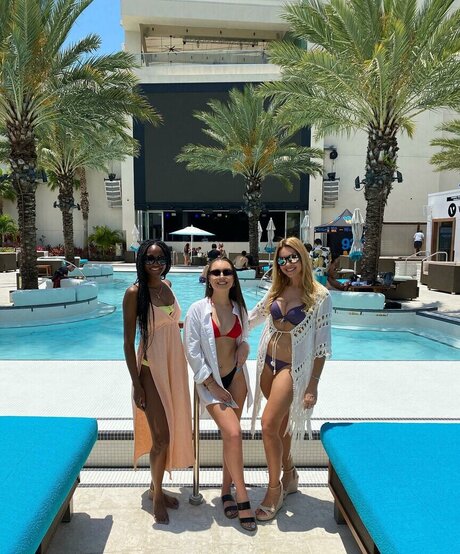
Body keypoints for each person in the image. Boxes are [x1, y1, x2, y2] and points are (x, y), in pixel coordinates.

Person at [248, 237, 332, 521]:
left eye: (293, 257)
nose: (287, 264)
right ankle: (290, 473)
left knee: (268, 424)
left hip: (291, 368)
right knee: (281, 427)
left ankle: (275, 490)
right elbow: (252, 318)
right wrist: (218, 329)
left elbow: (321, 346)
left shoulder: (319, 296)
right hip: (267, 364)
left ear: (303, 258)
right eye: (282, 259)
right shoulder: (276, 290)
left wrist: (313, 385)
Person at [123, 240, 194, 524]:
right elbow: (128, 343)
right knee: (161, 437)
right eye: (150, 258)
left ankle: (157, 487)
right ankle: (156, 496)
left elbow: (169, 322)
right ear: (141, 260)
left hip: (174, 367)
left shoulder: (168, 286)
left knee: (171, 429)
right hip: (150, 369)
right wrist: (137, 384)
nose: (155, 263)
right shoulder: (134, 293)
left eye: (160, 258)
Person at [184, 257, 256, 532]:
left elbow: (244, 337)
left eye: (227, 272)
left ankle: (226, 491)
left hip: (237, 378)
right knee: (234, 434)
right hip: (211, 382)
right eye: (216, 272)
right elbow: (192, 351)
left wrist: (245, 347)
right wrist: (212, 385)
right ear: (208, 278)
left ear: (234, 277)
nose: (222, 276)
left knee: (231, 437)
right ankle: (243, 496)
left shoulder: (239, 307)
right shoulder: (197, 310)